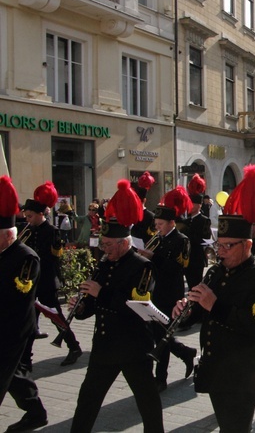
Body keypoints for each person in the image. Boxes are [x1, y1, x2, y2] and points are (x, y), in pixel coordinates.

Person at [173, 164, 255, 432]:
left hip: (244, 372)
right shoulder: (217, 271)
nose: (221, 252)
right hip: (217, 367)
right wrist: (186, 310)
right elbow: (201, 311)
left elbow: (253, 327)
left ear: (248, 245)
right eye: (218, 245)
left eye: (228, 247)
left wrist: (213, 304)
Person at [70, 180, 163, 432]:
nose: (105, 250)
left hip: (134, 347)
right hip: (104, 346)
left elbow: (138, 306)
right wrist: (81, 307)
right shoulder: (105, 263)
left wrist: (101, 293)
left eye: (109, 245)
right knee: (87, 401)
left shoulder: (142, 266)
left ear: (124, 243)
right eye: (103, 244)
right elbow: (94, 305)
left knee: (148, 404)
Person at [0, 176, 49, 432]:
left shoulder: (26, 258)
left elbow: (17, 296)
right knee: (14, 374)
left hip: (14, 326)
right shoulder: (3, 251)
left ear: (8, 235)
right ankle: (36, 412)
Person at [138, 187, 195, 392]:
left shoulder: (182, 240)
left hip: (171, 293)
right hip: (154, 291)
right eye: (156, 225)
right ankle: (185, 352)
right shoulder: (157, 238)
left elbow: (178, 267)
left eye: (160, 225)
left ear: (171, 223)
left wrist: (153, 257)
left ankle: (160, 378)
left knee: (162, 335)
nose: (157, 228)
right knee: (158, 333)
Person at [21, 181, 83, 365]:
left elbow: (54, 258)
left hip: (47, 282)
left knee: (56, 317)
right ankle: (25, 358)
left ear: (41, 214)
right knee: (29, 320)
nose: (28, 219)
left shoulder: (52, 231)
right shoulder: (28, 231)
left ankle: (74, 346)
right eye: (26, 216)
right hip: (31, 282)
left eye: (30, 216)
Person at [183, 175, 213, 290]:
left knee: (195, 286)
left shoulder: (204, 220)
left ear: (199, 205)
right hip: (186, 259)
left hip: (197, 258)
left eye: (192, 204)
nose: (189, 206)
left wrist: (188, 236)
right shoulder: (185, 221)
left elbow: (204, 239)